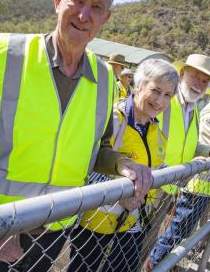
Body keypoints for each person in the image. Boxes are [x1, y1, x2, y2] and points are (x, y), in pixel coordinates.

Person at [0, 0, 152, 271]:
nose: (83, 15)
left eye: (96, 7)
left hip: (53, 233)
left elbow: (98, 149)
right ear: (58, 0)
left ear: (105, 18)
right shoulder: (8, 56)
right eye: (76, 0)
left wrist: (122, 164)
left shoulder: (105, 80)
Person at [70, 59, 179, 271]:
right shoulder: (113, 118)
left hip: (134, 222)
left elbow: (154, 165)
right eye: (155, 90)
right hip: (96, 222)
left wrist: (183, 171)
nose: (160, 101)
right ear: (138, 86)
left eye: (168, 95)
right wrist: (120, 192)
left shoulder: (155, 129)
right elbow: (90, 161)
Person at [149, 54, 210, 267]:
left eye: (205, 81)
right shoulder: (166, 101)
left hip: (169, 186)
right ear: (181, 74)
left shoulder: (193, 109)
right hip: (150, 182)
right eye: (195, 77)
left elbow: (191, 144)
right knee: (132, 242)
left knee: (147, 241)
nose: (200, 84)